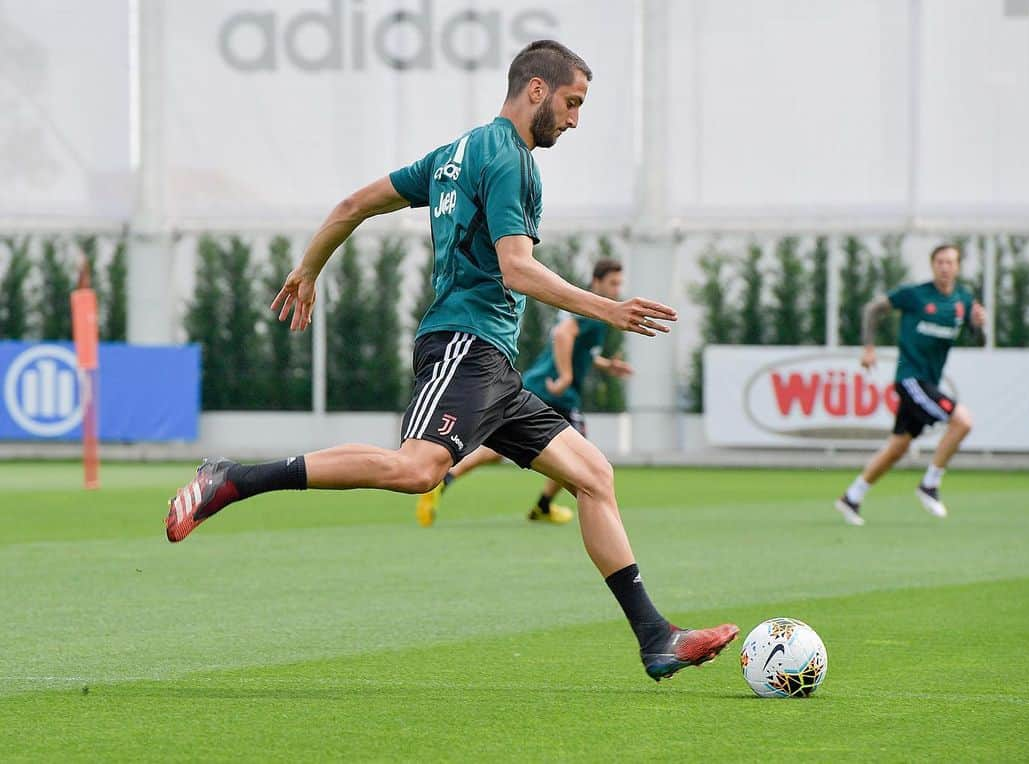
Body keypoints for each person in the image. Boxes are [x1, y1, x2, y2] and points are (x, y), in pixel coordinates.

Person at [165, 40, 737, 681]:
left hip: (492, 364)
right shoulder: (512, 161)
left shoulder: (455, 153)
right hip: (465, 347)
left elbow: (354, 204)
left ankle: (655, 638)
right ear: (538, 90)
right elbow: (516, 270)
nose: (575, 120)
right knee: (417, 471)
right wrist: (607, 310)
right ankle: (234, 478)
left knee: (593, 476)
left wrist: (308, 267)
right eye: (573, 104)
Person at [415, 258, 633, 527]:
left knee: (500, 446)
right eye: (613, 283)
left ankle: (447, 478)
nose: (617, 289)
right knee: (582, 455)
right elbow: (564, 335)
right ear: (597, 282)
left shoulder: (585, 309)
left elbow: (580, 348)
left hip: (537, 383)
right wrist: (565, 375)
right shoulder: (594, 310)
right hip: (556, 391)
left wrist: (606, 365)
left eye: (619, 284)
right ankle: (542, 506)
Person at [835, 244, 986, 526]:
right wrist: (868, 347)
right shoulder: (915, 295)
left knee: (898, 447)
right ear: (932, 265)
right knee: (963, 421)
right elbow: (872, 308)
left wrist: (979, 326)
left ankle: (852, 496)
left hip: (929, 380)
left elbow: (978, 341)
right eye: (940, 261)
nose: (944, 267)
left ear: (958, 267)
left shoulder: (963, 300)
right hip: (910, 379)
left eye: (950, 262)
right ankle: (930, 483)